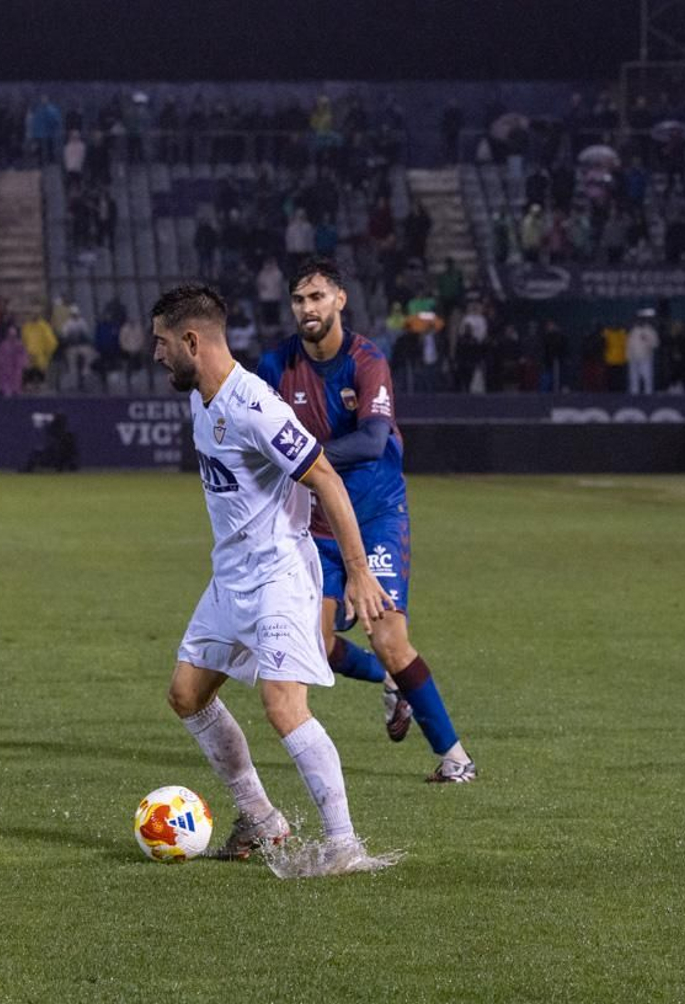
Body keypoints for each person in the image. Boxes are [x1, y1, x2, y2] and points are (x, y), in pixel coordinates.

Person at [150, 284, 397, 876]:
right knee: (187, 695)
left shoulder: (256, 408)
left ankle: (344, 846)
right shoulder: (199, 399)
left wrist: (358, 573)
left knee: (282, 704)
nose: (156, 355)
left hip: (279, 577)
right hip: (229, 577)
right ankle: (261, 817)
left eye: (162, 344)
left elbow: (327, 479)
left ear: (192, 341)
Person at [257, 258, 476, 783]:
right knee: (314, 645)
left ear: (339, 300)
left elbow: (374, 440)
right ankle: (392, 680)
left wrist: (303, 456)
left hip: (375, 515)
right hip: (314, 525)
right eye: (298, 300)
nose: (307, 309)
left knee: (388, 636)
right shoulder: (276, 366)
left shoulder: (366, 361)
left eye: (316, 297)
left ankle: (456, 759)